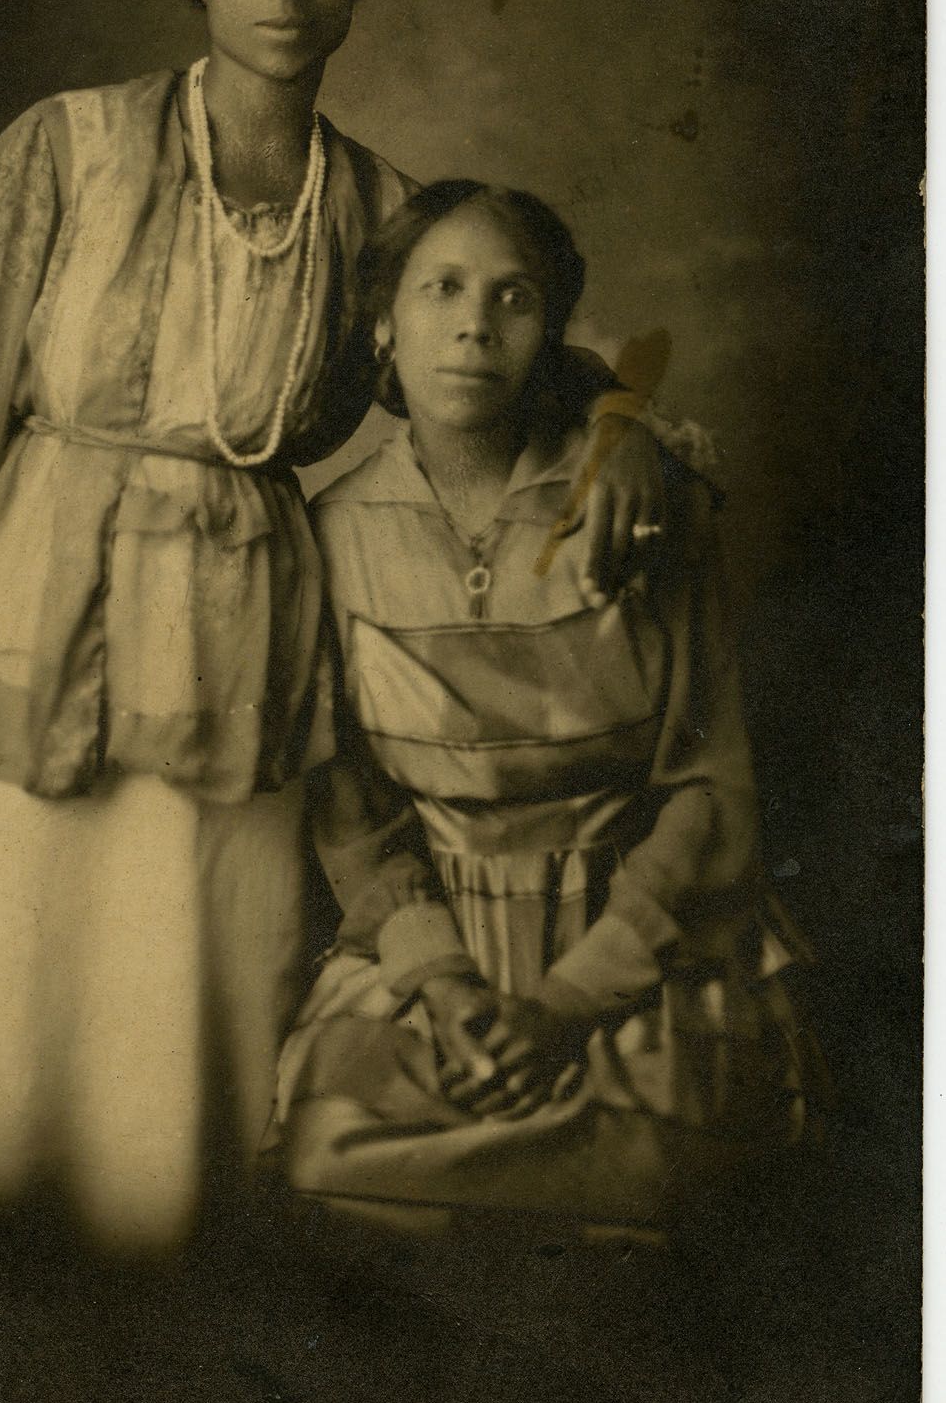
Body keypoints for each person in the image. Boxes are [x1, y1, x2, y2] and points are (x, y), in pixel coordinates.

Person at [0, 0, 673, 1256]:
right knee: (6, 1066)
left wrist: (628, 430)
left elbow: (529, 356)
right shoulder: (64, 144)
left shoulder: (377, 208)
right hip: (35, 639)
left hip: (240, 653)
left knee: (183, 1073)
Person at [265, 180, 827, 1241]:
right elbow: (354, 813)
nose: (476, 325)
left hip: (636, 951)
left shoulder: (643, 508)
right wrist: (443, 984)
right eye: (441, 289)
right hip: (435, 964)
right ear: (383, 324)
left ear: (553, 332)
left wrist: (569, 1003)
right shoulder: (332, 534)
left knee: (654, 1186)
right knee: (334, 1165)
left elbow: (712, 791)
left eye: (514, 297)